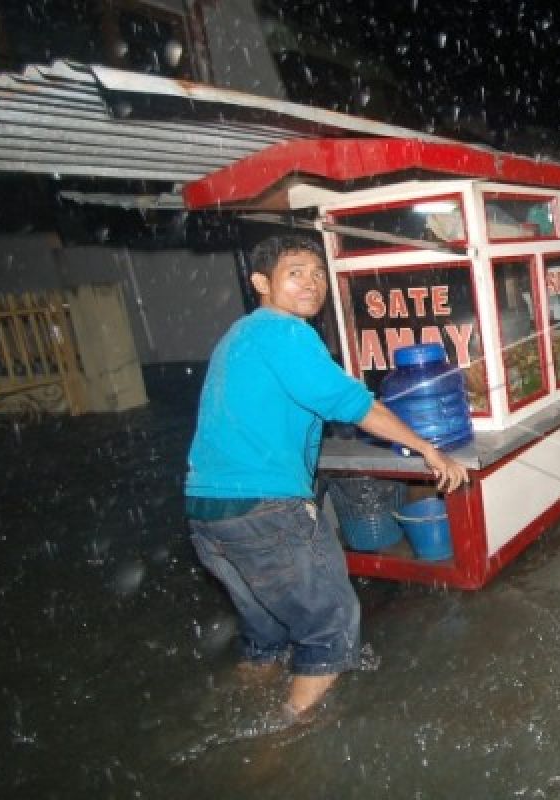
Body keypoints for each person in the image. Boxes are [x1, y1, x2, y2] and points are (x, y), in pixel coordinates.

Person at [185, 234, 468, 721]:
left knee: (268, 638)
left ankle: (225, 717)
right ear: (261, 283)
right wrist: (428, 450)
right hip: (263, 510)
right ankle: (279, 754)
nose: (311, 284)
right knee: (331, 632)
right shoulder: (284, 331)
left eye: (318, 274)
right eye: (295, 273)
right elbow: (353, 404)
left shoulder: (239, 335)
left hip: (209, 513)